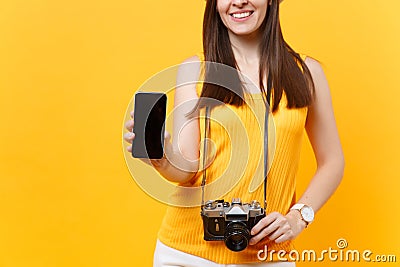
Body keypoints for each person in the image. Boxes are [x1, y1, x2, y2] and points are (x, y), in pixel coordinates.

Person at [124, 0, 344, 266]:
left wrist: (298, 216)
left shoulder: (306, 73)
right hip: (186, 253)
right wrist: (162, 159)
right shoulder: (195, 70)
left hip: (269, 254)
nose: (238, 1)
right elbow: (186, 169)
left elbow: (333, 162)